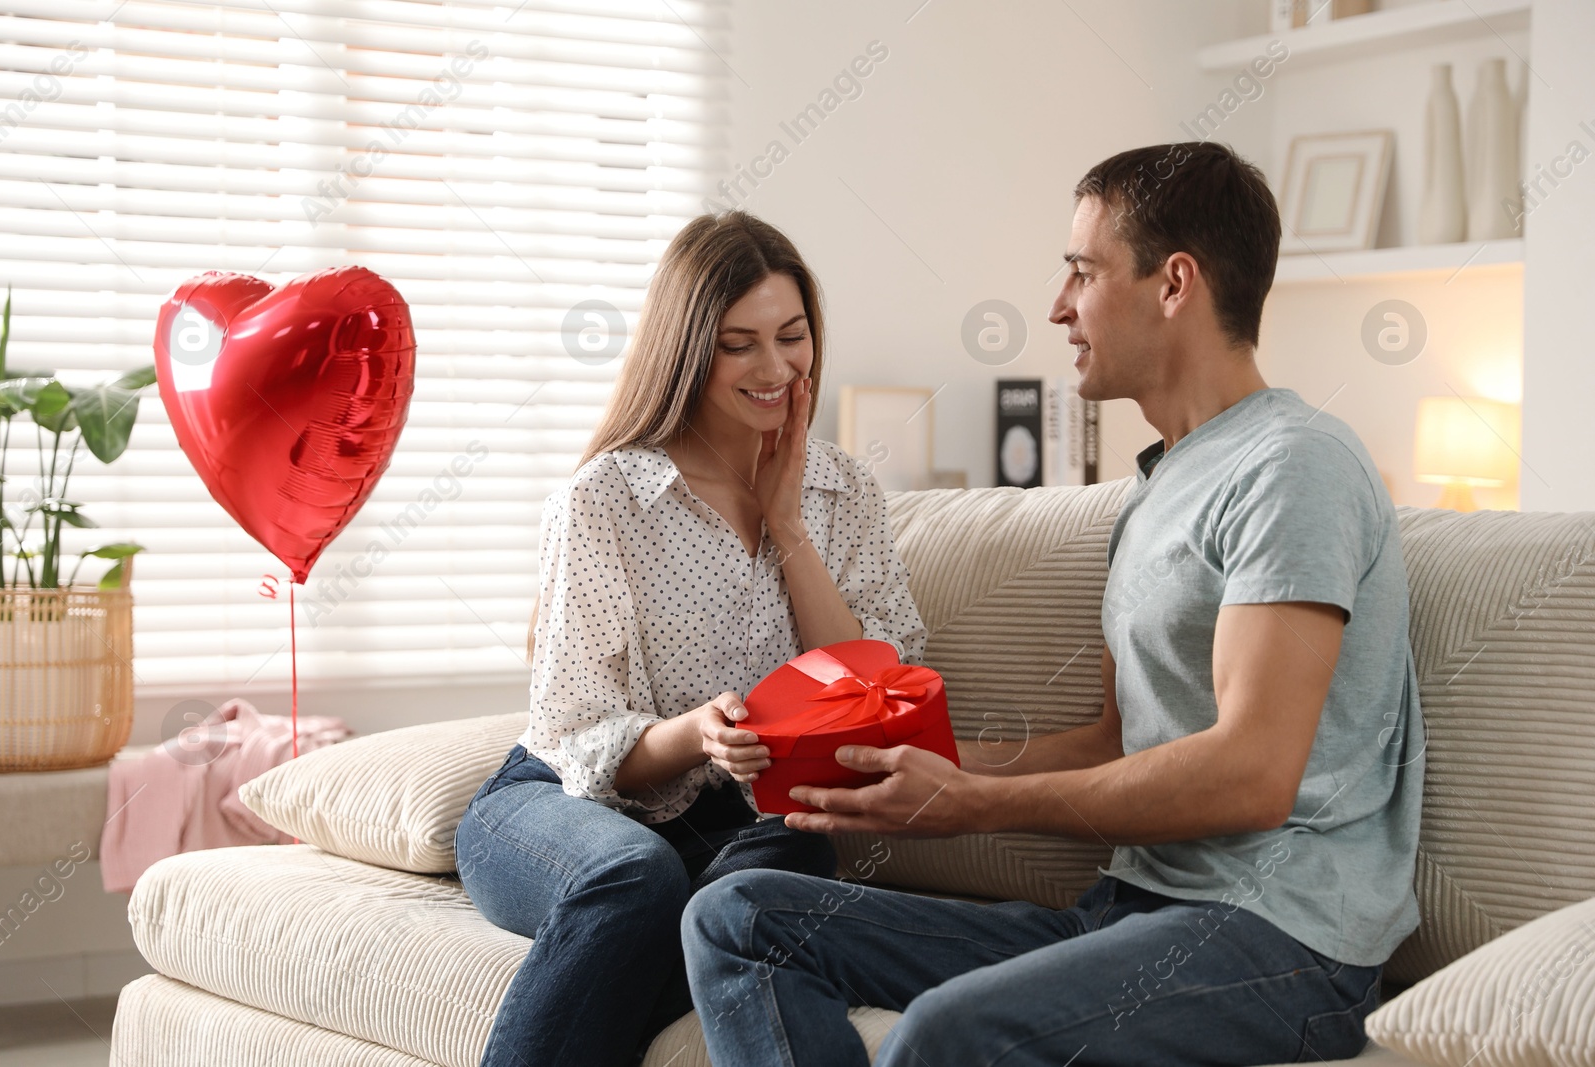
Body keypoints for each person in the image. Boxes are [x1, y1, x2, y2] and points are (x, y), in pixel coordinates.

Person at [681, 141, 1425, 1067]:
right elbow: (1118, 743)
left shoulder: (1294, 464)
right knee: (738, 915)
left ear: (1175, 282)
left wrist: (973, 807)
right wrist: (913, 766)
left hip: (1283, 940)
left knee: (948, 1034)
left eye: (1082, 271)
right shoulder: (1156, 491)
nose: (1058, 307)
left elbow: (1254, 773)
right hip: (1130, 912)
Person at [454, 210, 928, 1067]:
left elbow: (873, 693)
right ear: (687, 351)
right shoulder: (606, 499)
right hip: (566, 800)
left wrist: (787, 527)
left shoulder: (841, 490)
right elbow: (572, 732)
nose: (776, 368)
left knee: (760, 893)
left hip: (743, 819)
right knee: (638, 880)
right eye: (739, 344)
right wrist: (695, 734)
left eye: (792, 336)